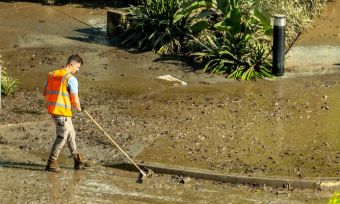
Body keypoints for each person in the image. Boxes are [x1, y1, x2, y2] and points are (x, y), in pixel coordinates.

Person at [44, 54, 86, 172]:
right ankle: (51, 163)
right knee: (62, 137)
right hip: (62, 113)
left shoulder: (52, 75)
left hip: (54, 111)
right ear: (71, 64)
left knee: (71, 134)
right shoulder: (71, 79)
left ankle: (77, 159)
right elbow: (75, 99)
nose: (77, 70)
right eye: (77, 67)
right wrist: (79, 108)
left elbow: (44, 92)